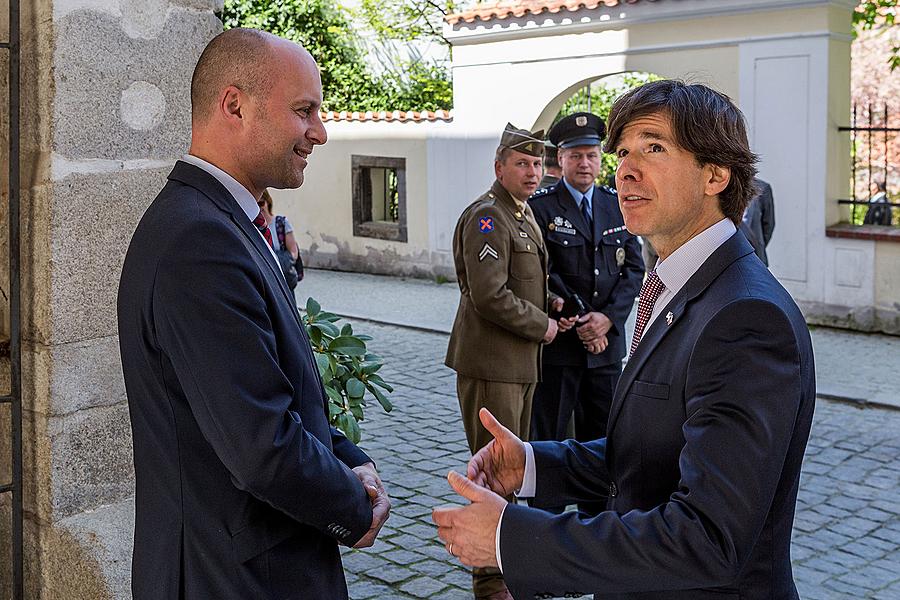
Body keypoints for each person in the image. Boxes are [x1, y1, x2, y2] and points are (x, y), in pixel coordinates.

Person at [434, 80, 816, 600]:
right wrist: (534, 463)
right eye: (624, 152)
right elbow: (648, 457)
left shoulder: (746, 317)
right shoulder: (678, 283)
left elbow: (707, 538)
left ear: (715, 174)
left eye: (654, 148)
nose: (626, 170)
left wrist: (513, 536)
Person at [117, 28, 389, 600]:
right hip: (234, 577)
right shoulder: (199, 240)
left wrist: (350, 460)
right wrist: (353, 506)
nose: (320, 131)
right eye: (303, 110)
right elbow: (260, 447)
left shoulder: (225, 222)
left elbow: (278, 389)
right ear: (234, 105)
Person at [444, 122, 559, 600]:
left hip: (517, 366)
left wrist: (547, 304)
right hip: (493, 366)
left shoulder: (521, 213)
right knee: (493, 475)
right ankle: (490, 583)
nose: (532, 171)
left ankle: (506, 566)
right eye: (521, 163)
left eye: (537, 163)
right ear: (500, 167)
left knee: (511, 470)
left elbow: (521, 279)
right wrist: (542, 324)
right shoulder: (488, 217)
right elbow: (490, 295)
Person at [528, 113, 644, 514]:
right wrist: (582, 322)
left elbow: (634, 268)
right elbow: (543, 272)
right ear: (559, 160)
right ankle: (546, 521)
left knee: (605, 440)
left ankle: (599, 525)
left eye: (591, 155)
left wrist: (608, 320)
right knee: (551, 438)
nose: (584, 163)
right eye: (575, 155)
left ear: (600, 160)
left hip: (606, 349)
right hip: (562, 347)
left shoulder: (616, 205)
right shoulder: (541, 208)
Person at [258, 189, 304, 288]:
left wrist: (285, 263)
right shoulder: (254, 226)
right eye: (256, 205)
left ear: (268, 202)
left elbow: (293, 250)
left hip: (284, 277)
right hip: (267, 278)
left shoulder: (281, 223)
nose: (260, 208)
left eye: (261, 203)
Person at [741, 177, 775, 265]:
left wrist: (757, 244)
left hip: (756, 254)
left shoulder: (763, 188)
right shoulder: (724, 187)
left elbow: (768, 225)